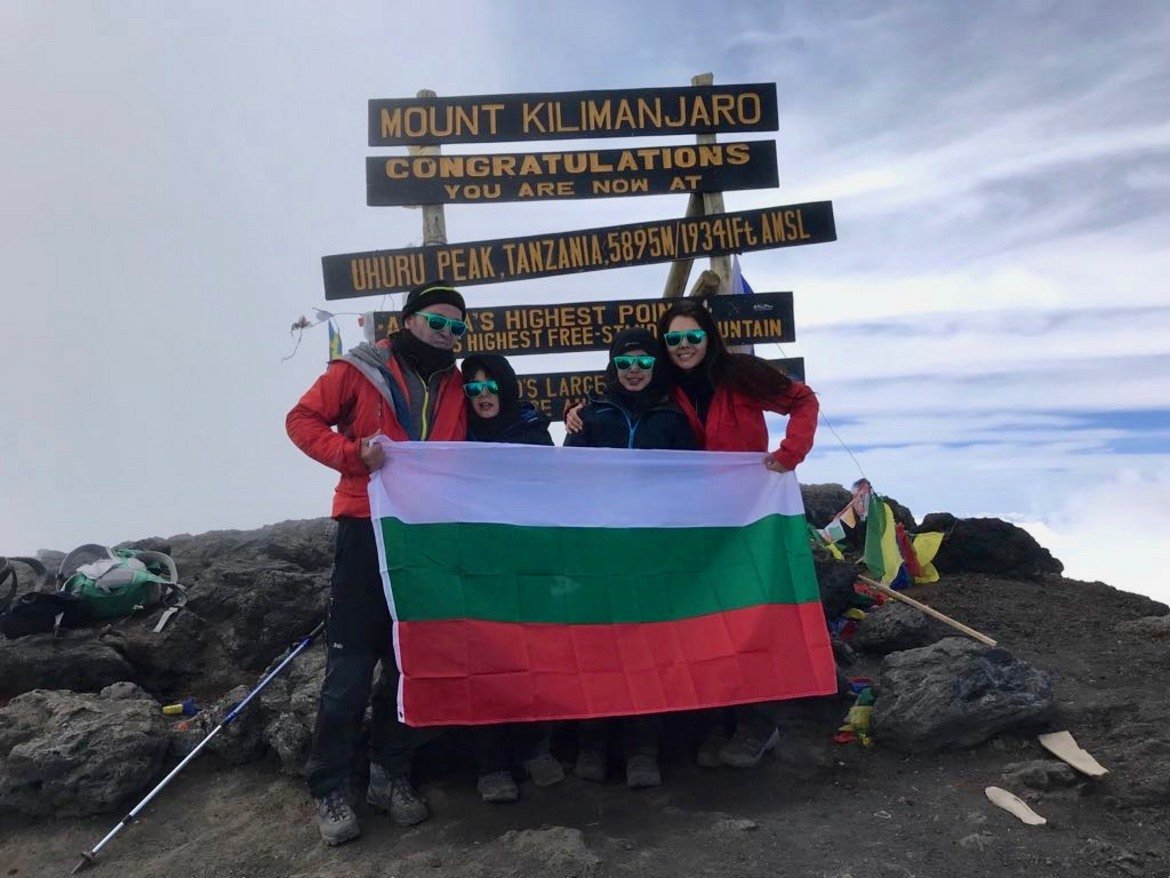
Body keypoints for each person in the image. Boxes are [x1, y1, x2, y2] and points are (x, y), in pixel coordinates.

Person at [286, 281, 469, 846]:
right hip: (365, 528)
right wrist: (352, 456)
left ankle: (391, 773)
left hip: (423, 536)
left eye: (457, 328)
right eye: (437, 322)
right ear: (409, 320)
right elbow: (301, 420)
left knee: (405, 658)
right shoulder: (359, 369)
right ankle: (330, 784)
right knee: (348, 667)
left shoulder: (458, 384)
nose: (447, 334)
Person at [654, 297, 820, 770]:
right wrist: (576, 409)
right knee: (706, 622)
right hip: (691, 525)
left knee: (748, 617)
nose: (683, 347)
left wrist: (790, 452)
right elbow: (623, 396)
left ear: (709, 337)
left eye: (692, 337)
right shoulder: (666, 387)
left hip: (748, 518)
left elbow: (803, 399)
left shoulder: (742, 374)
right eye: (673, 340)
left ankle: (757, 724)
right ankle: (718, 724)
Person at [564, 327, 697, 788]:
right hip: (598, 552)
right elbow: (567, 478)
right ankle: (593, 744)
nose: (634, 371)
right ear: (612, 367)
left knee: (648, 648)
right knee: (596, 647)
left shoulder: (673, 419)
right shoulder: (591, 415)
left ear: (656, 366)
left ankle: (644, 749)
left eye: (643, 362)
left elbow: (690, 483)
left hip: (650, 552)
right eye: (625, 363)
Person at [458, 354, 564, 803]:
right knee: (483, 664)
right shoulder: (450, 437)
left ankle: (535, 750)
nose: (484, 396)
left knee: (532, 658)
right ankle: (491, 764)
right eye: (474, 388)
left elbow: (554, 496)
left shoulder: (534, 432)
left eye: (492, 386)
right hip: (476, 567)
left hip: (528, 565)